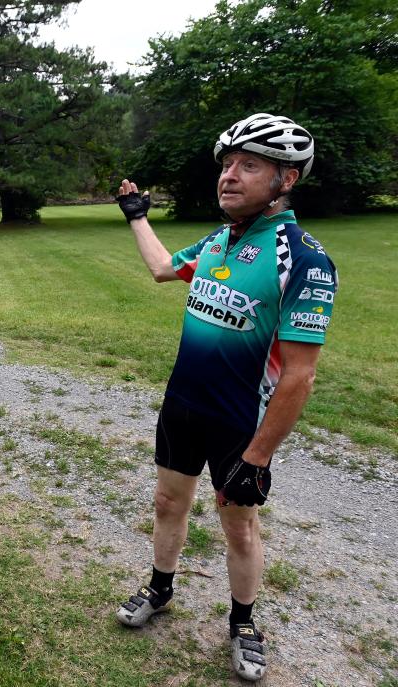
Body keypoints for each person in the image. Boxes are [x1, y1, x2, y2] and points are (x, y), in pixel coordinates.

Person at [113, 113, 337, 682]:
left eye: (249, 165)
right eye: (228, 165)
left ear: (286, 180)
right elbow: (165, 269)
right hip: (182, 403)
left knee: (238, 527)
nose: (229, 176)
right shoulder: (219, 239)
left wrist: (258, 457)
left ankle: (243, 623)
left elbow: (299, 377)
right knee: (168, 504)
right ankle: (161, 589)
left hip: (240, 422)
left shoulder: (303, 260)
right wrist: (137, 217)